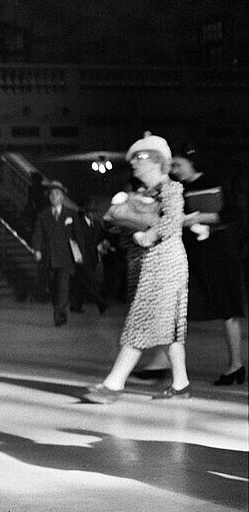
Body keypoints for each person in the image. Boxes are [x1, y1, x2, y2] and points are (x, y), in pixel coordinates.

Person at [83, 134, 190, 403]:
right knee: (170, 330)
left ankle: (113, 385)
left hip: (164, 264)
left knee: (139, 321)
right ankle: (181, 384)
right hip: (152, 263)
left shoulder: (170, 189)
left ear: (157, 162)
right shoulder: (142, 195)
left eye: (140, 158)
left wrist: (147, 236)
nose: (134, 163)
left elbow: (172, 222)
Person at [170, 148, 245, 385]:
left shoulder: (214, 182)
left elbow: (233, 214)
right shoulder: (178, 188)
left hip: (220, 254)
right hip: (195, 255)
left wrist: (197, 218)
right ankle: (166, 364)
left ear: (191, 162)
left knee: (228, 309)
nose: (174, 170)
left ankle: (236, 364)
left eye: (178, 164)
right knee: (177, 310)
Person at [31, 181, 75, 326]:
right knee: (54, 288)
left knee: (63, 286)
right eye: (51, 194)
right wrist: (37, 249)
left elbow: (77, 236)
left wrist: (80, 254)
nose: (54, 196)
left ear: (62, 197)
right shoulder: (43, 215)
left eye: (57, 194)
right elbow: (38, 234)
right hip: (49, 257)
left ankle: (59, 314)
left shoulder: (71, 214)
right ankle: (59, 310)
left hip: (65, 257)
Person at [68, 199, 108, 315]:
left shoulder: (96, 224)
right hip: (81, 257)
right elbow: (73, 241)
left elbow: (102, 237)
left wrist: (104, 242)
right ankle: (101, 304)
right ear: (86, 212)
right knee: (90, 281)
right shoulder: (78, 223)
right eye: (91, 212)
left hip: (93, 257)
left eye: (95, 212)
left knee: (83, 282)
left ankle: (75, 306)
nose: (93, 214)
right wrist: (76, 256)